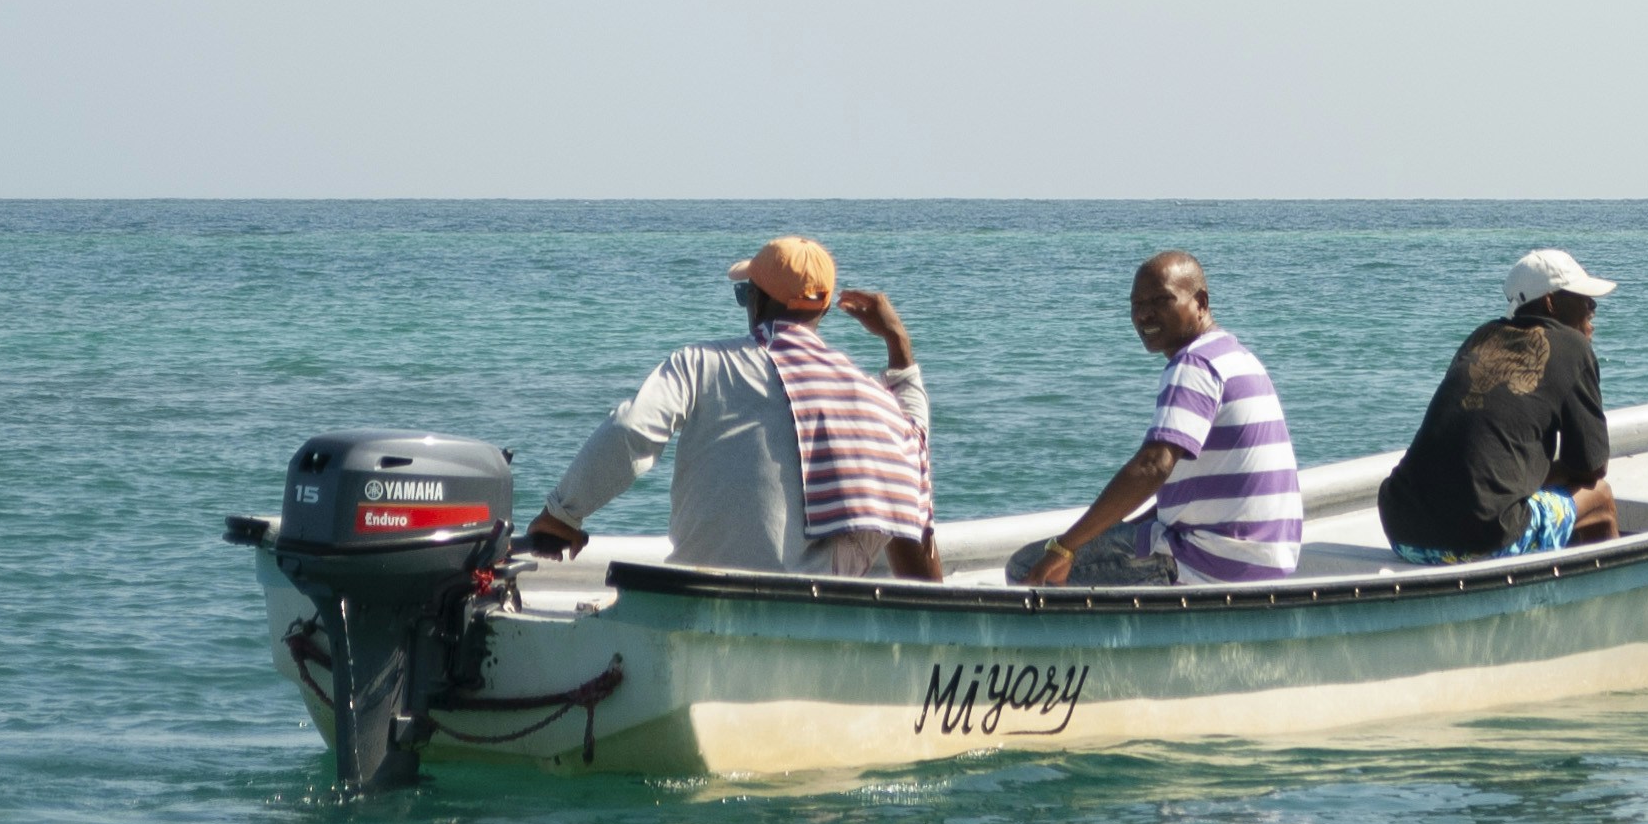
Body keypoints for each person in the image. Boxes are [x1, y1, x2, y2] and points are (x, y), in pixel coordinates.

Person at [523, 235, 940, 579]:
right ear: (825, 309)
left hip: (699, 591)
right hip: (811, 601)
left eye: (745, 293)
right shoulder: (867, 396)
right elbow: (914, 447)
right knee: (899, 485)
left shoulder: (700, 363)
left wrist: (563, 514)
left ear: (756, 300)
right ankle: (930, 615)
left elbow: (630, 429)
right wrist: (897, 342)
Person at [1009, 252, 1303, 587]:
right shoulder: (1235, 356)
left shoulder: (1194, 364)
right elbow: (1185, 493)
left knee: (1027, 566)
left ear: (1200, 303)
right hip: (1266, 561)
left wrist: (1065, 548)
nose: (1144, 314)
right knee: (1109, 536)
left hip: (1208, 562)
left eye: (1161, 301)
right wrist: (1110, 530)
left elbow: (1153, 465)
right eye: (1137, 304)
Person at [1376, 247, 1619, 563]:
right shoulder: (1573, 346)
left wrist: (1517, 478)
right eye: (1584, 298)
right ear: (1550, 302)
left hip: (1403, 530)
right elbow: (1591, 467)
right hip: (1485, 540)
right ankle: (1612, 589)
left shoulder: (1482, 337)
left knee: (1533, 497)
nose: (1592, 307)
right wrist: (1528, 478)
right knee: (1599, 498)